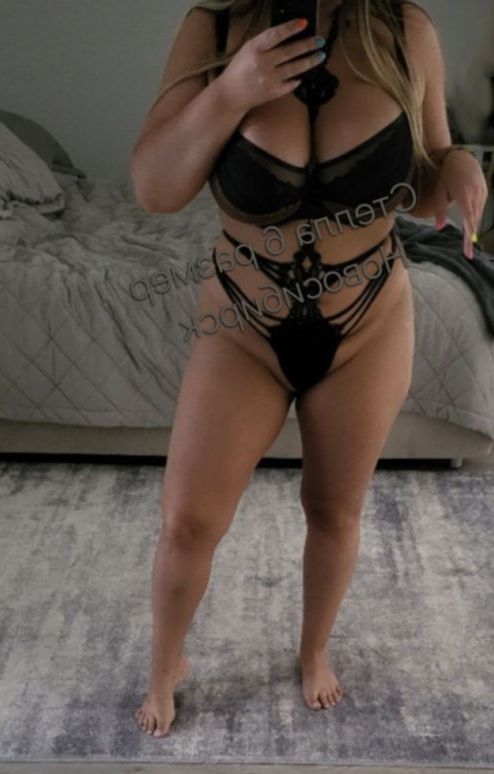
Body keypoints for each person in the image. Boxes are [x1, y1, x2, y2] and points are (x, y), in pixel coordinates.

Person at [130, 0, 488, 738]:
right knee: (188, 522)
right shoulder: (216, 25)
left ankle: (313, 651)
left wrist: (455, 165)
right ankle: (165, 666)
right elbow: (155, 190)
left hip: (367, 324)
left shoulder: (404, 30)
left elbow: (416, 183)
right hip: (244, 325)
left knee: (333, 511)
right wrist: (231, 92)